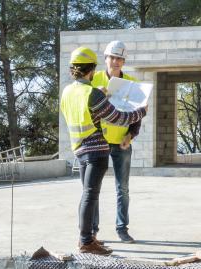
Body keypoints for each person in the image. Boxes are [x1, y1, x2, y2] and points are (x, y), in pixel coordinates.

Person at [60, 47, 147, 255]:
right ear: (92, 69)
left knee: (88, 194)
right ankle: (87, 240)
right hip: (96, 149)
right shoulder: (92, 92)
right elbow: (119, 117)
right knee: (91, 195)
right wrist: (142, 111)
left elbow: (78, 114)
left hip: (79, 148)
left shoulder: (68, 91)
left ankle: (87, 238)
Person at [91, 40, 141, 243]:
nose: (116, 61)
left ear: (124, 61)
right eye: (113, 57)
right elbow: (87, 112)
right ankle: (92, 231)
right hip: (99, 142)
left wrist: (131, 135)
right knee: (94, 188)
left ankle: (122, 229)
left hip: (122, 142)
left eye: (120, 58)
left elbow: (137, 113)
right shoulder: (93, 81)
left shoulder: (130, 82)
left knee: (123, 188)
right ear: (106, 58)